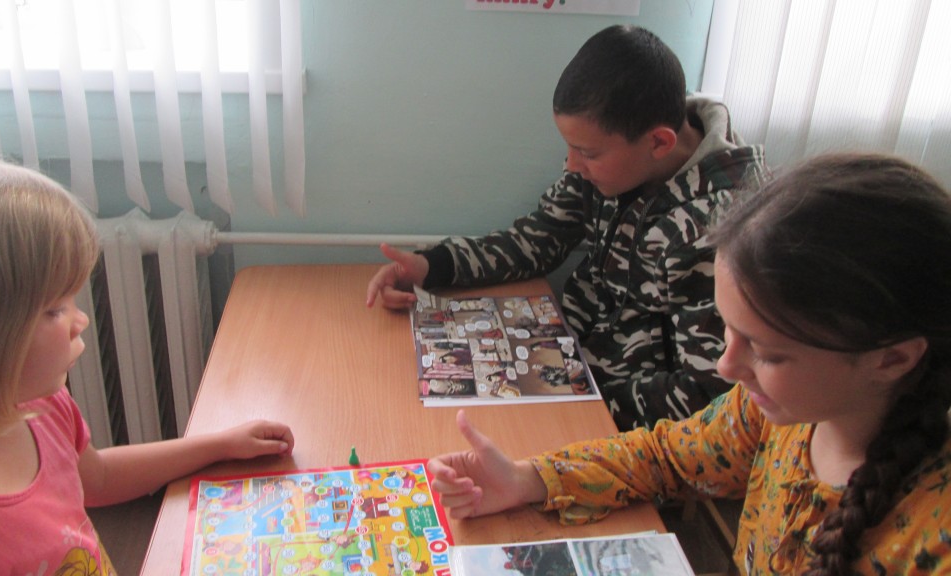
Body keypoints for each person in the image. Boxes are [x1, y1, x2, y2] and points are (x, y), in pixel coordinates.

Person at [427, 154, 951, 574]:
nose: (726, 366)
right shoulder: (775, 413)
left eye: (768, 353)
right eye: (728, 330)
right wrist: (527, 479)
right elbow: (666, 457)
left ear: (893, 359)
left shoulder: (932, 536)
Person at [366, 25, 767, 430]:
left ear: (659, 143)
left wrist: (580, 403)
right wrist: (430, 266)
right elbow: (536, 241)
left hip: (628, 422)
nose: (572, 165)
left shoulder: (719, 230)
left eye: (587, 153)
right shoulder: (616, 156)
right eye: (570, 147)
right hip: (569, 369)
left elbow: (708, 394)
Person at [0, 143, 295, 574]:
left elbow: (97, 477)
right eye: (54, 309)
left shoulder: (40, 406)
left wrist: (220, 444)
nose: (80, 320)